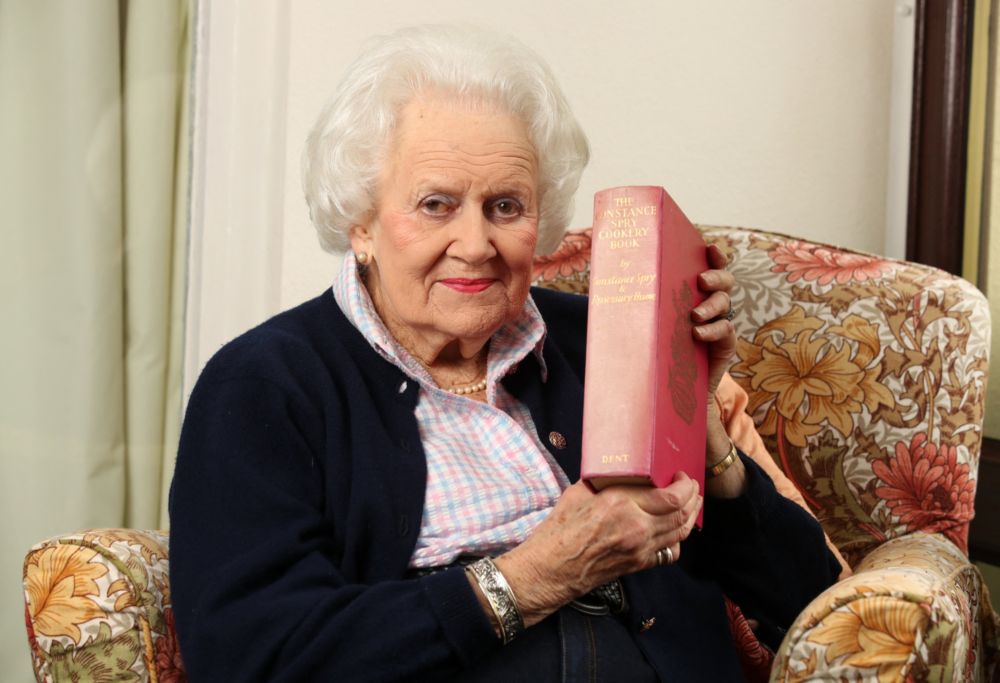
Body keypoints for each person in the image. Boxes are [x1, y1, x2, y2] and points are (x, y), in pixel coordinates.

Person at [169, 25, 841, 681]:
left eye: (505, 205)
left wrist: (701, 421)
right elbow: (248, 653)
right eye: (436, 204)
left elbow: (810, 599)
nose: (475, 243)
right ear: (362, 224)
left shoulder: (604, 339)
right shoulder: (264, 384)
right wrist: (534, 574)